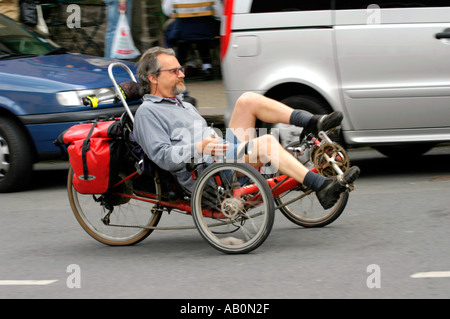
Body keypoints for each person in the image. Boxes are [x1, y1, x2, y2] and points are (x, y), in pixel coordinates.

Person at [133, 47, 360, 209]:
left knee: (247, 100)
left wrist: (210, 142)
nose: (182, 74)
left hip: (219, 156)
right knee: (267, 143)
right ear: (153, 78)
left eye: (181, 69)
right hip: (205, 174)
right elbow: (162, 156)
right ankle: (320, 186)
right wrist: (199, 147)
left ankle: (311, 121)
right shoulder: (148, 113)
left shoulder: (181, 102)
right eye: (174, 71)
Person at [162, 0, 221, 80]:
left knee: (177, 31)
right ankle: (207, 66)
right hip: (206, 30)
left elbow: (167, 11)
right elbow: (219, 13)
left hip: (183, 31)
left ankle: (180, 66)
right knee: (200, 32)